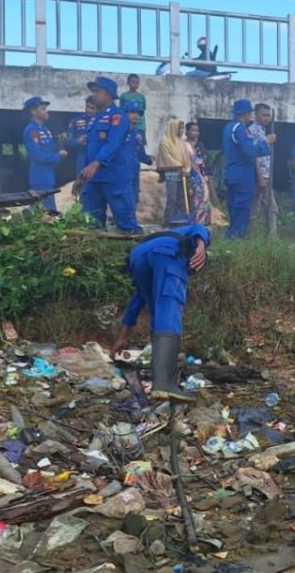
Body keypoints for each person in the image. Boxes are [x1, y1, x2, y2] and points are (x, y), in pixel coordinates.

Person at [109, 224, 211, 401]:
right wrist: (201, 248)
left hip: (138, 256)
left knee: (157, 309)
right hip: (168, 253)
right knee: (169, 306)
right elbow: (200, 227)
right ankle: (164, 384)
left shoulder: (165, 234)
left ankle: (161, 376)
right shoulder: (188, 248)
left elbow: (137, 300)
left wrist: (123, 337)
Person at [74, 77, 140, 232]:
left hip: (114, 178)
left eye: (97, 91)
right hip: (94, 179)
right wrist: (81, 176)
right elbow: (90, 150)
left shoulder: (118, 116)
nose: (94, 95)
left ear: (109, 94)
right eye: (93, 92)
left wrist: (96, 163)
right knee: (92, 222)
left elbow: (113, 143)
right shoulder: (95, 119)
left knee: (126, 223)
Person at [222, 99, 270, 239]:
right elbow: (249, 151)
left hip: (232, 173)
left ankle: (232, 237)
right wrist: (266, 143)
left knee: (233, 208)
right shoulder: (240, 128)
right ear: (246, 113)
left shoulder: (228, 127)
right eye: (250, 112)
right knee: (242, 209)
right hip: (242, 175)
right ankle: (235, 239)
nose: (251, 115)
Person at [22, 96, 68, 213]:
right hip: (40, 175)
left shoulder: (45, 129)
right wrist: (58, 156)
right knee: (48, 210)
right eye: (42, 109)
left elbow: (49, 147)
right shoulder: (31, 130)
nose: (46, 111)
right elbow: (37, 155)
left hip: (48, 174)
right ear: (33, 112)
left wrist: (59, 142)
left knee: (41, 208)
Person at [249, 103, 279, 237]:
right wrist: (260, 177)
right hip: (257, 176)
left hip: (267, 176)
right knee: (254, 210)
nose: (267, 118)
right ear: (256, 114)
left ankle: (271, 239)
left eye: (269, 115)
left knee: (272, 209)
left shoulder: (262, 131)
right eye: (264, 115)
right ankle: (249, 238)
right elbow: (253, 155)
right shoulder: (252, 131)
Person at [157, 120, 192, 227]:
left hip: (183, 173)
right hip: (171, 173)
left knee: (182, 198)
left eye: (182, 128)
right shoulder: (165, 141)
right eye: (179, 128)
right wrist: (179, 167)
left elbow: (186, 157)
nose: (181, 131)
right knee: (172, 197)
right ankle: (168, 221)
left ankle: (180, 220)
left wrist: (187, 168)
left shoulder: (181, 142)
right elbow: (167, 158)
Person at [124, 102, 153, 208]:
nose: (135, 115)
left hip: (134, 169)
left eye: (138, 113)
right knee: (122, 197)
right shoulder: (119, 131)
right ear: (125, 114)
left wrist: (150, 160)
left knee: (134, 197)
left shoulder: (138, 133)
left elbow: (140, 153)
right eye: (132, 112)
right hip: (122, 169)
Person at [185, 121, 211, 226]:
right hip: (188, 176)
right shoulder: (183, 145)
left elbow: (203, 161)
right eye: (193, 130)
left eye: (197, 131)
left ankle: (202, 222)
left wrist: (206, 176)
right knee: (191, 199)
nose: (196, 133)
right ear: (187, 132)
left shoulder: (200, 145)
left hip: (200, 176)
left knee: (203, 198)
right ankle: (190, 222)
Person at [65, 96, 98, 166]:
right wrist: (77, 141)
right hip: (81, 159)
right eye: (87, 106)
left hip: (97, 160)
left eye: (92, 108)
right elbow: (67, 140)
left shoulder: (101, 121)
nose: (88, 110)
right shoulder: (76, 119)